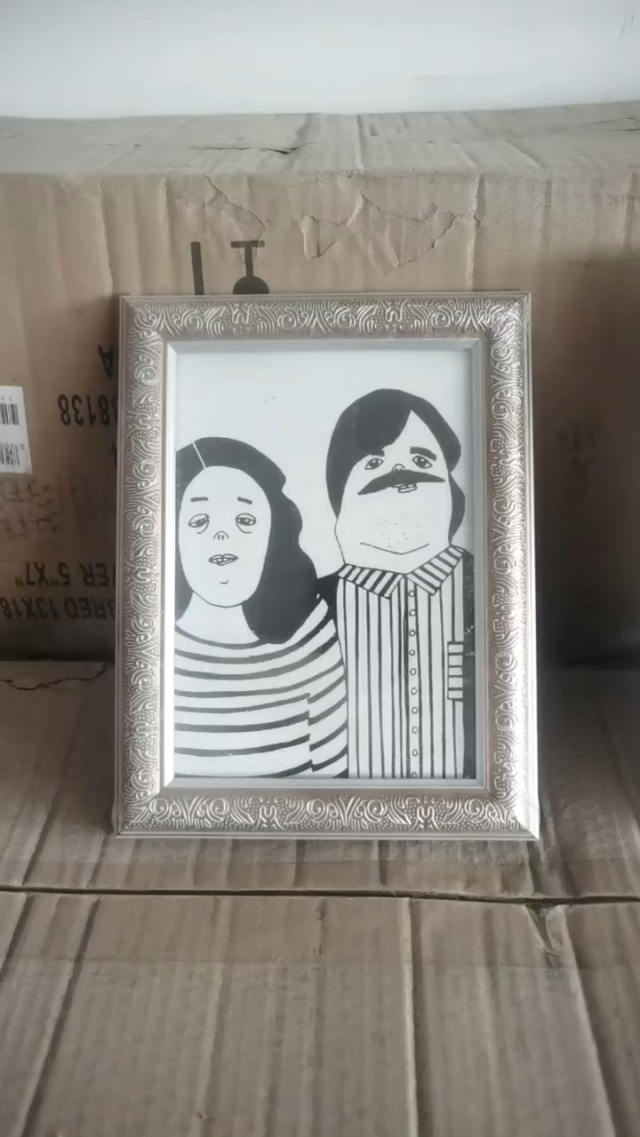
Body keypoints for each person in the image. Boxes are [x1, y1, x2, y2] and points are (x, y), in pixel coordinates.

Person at [319, 389, 475, 780]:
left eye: (422, 460)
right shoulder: (310, 606)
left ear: (452, 488)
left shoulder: (492, 590)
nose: (400, 471)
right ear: (340, 496)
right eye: (374, 462)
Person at [174, 437, 347, 778]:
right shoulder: (152, 638)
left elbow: (333, 771)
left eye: (245, 520)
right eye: (198, 521)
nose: (222, 535)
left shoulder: (312, 630)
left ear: (273, 533)